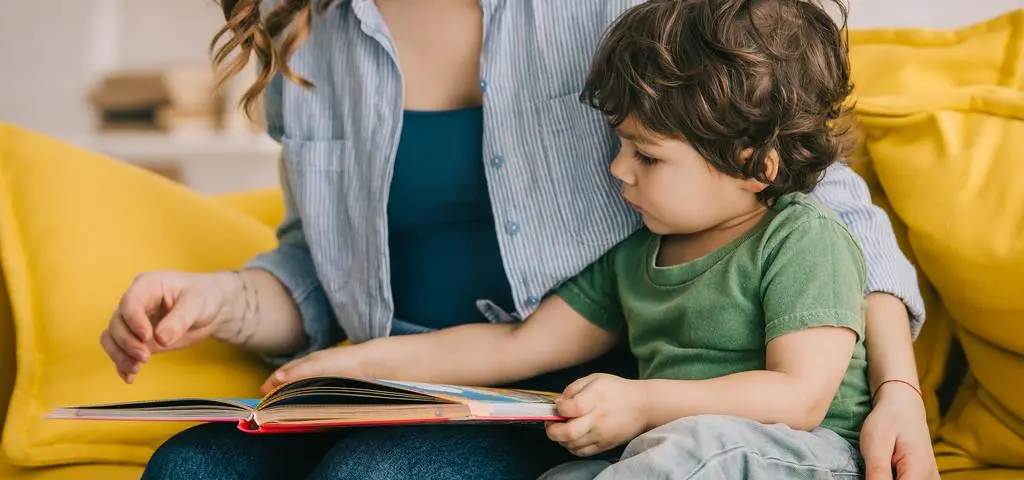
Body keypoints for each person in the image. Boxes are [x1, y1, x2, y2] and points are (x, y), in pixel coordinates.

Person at [101, 0, 938, 479]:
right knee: (190, 472)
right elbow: (315, 268)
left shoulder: (626, 18)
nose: (621, 169)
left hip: (579, 393)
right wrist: (225, 300)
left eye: (639, 152)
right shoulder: (307, 37)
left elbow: (815, 195)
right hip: (413, 378)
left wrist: (897, 388)